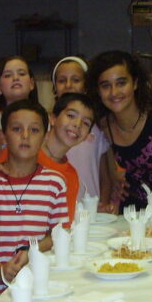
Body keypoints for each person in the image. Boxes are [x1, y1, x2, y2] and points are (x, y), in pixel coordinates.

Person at [0, 99, 68, 301]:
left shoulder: (54, 183)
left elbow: (59, 234)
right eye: (16, 129)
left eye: (34, 130)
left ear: (45, 136)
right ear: (3, 135)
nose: (25, 136)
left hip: (35, 290)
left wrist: (32, 250)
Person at [89, 50, 152, 211]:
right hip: (134, 215)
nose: (114, 92)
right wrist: (117, 184)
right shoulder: (103, 126)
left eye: (121, 83)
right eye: (106, 86)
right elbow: (112, 175)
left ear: (135, 83)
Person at [54, 56, 113, 208]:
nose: (68, 85)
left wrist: (103, 203)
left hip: (89, 210)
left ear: (86, 86)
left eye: (75, 80)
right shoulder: (45, 126)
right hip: (57, 211)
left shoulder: (97, 128)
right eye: (61, 80)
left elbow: (105, 176)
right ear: (54, 87)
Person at [37, 92, 97, 222]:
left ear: (86, 136)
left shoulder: (71, 175)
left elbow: (64, 227)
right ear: (53, 118)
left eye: (86, 123)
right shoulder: (25, 155)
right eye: (71, 116)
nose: (77, 124)